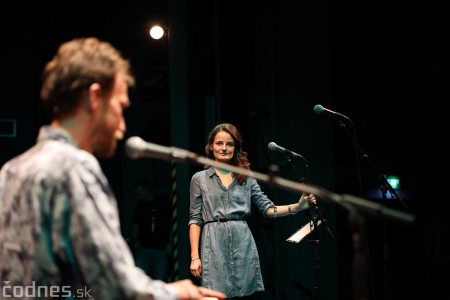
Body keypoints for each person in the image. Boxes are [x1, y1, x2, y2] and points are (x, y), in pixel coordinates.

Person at [0, 37, 225, 300]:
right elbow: (116, 287)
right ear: (95, 97)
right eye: (119, 107)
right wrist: (180, 293)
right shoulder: (74, 168)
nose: (122, 126)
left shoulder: (11, 170)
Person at [188, 123, 317, 299]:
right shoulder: (199, 179)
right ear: (211, 146)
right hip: (213, 245)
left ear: (236, 148)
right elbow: (195, 219)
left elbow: (267, 209)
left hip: (242, 244)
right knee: (214, 295)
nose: (224, 148)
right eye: (219, 143)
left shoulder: (246, 177)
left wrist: (297, 207)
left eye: (229, 144)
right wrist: (195, 257)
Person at [132, 180, 172, 280]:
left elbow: (170, 224)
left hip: (160, 249)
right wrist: (135, 242)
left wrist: (170, 242)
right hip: (143, 248)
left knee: (160, 279)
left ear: (146, 191)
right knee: (140, 279)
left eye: (139, 193)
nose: (138, 196)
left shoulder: (162, 204)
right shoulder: (139, 207)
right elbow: (135, 226)